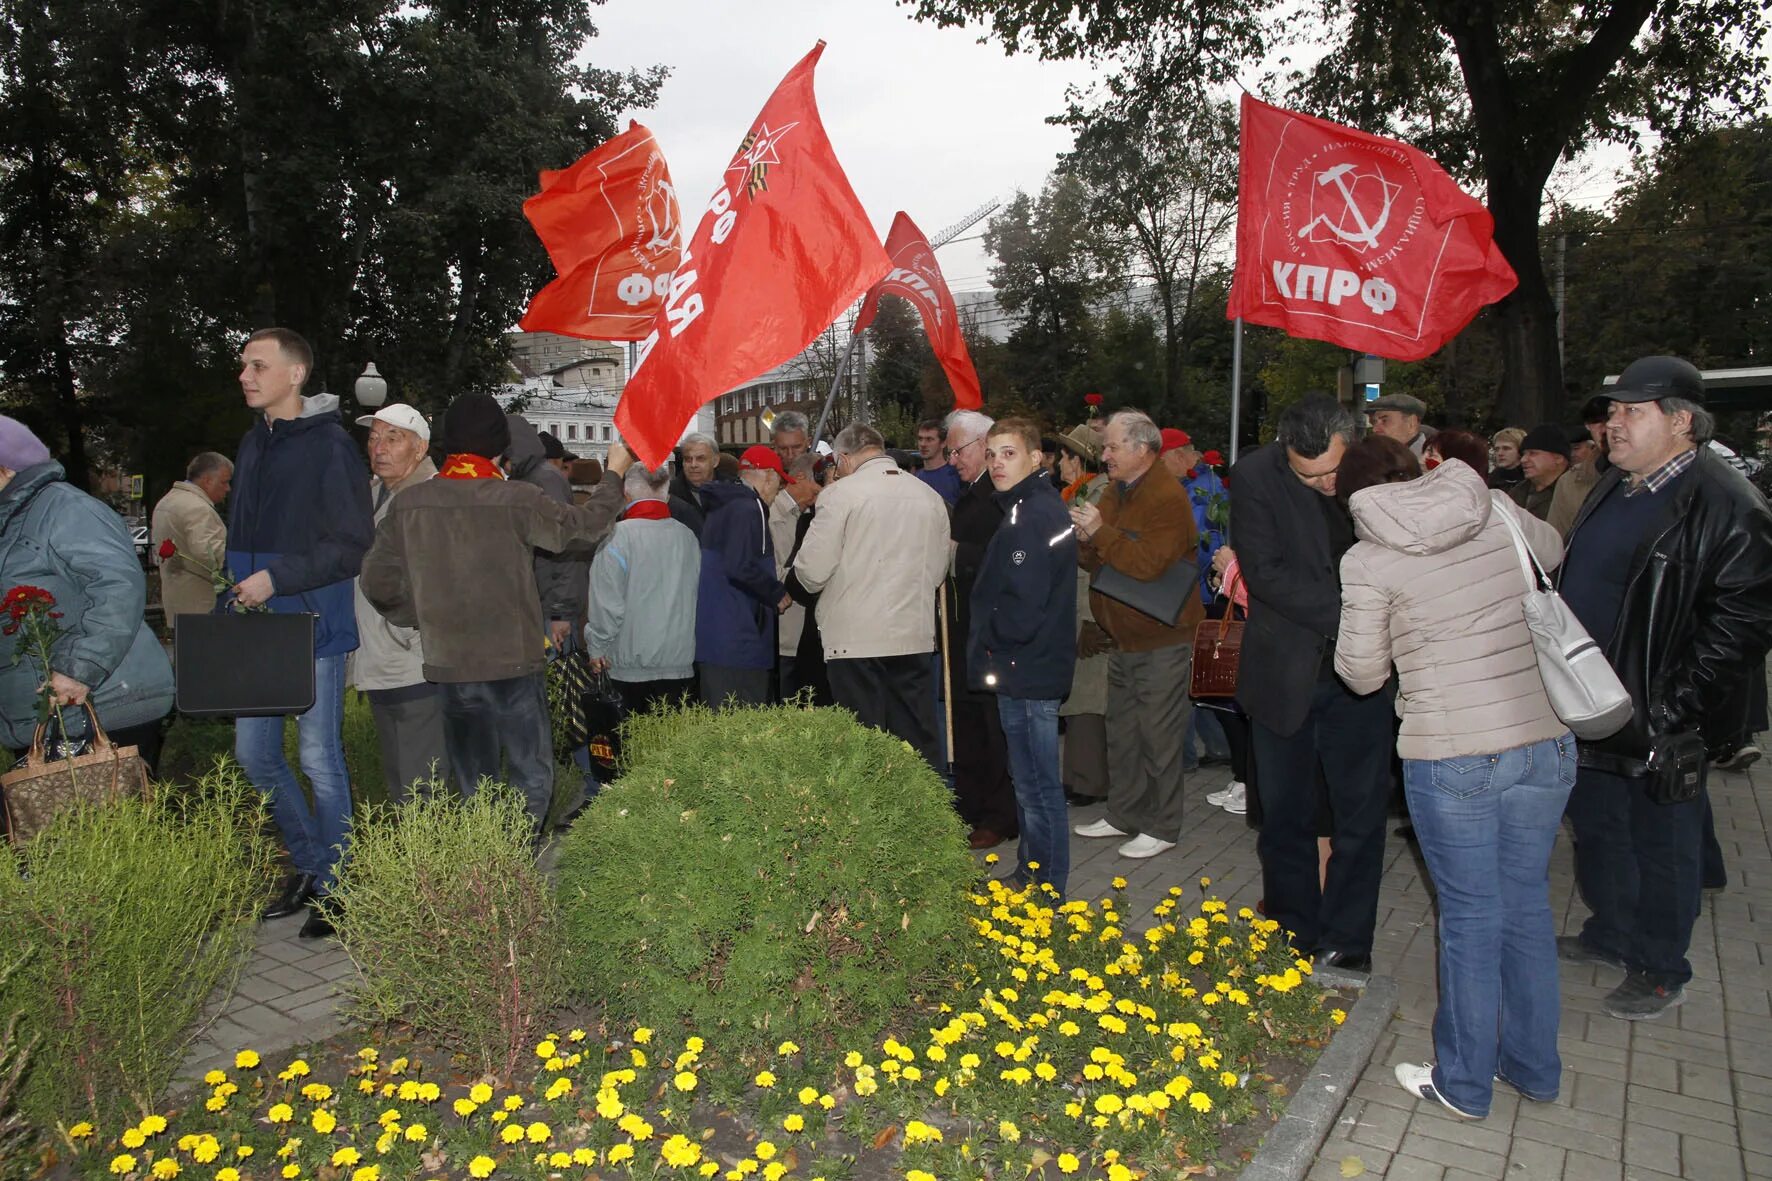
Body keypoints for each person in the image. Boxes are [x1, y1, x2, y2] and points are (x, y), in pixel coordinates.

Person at [1333, 439, 1575, 1119]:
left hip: (1455, 750)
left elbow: (1362, 674)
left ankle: (1465, 1083)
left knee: (1470, 916)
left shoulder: (1368, 558)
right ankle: (1533, 1067)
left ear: (1353, 497)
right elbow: (1552, 552)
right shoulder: (1494, 505)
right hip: (1546, 737)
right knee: (1525, 905)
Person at [1557, 356, 1772, 1020]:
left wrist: (1672, 707)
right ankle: (1612, 932)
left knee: (1662, 840)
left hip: (1658, 712)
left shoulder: (1725, 502)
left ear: (1681, 421)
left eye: (1631, 412)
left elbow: (1743, 623)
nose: (1612, 425)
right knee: (1598, 825)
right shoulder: (1617, 483)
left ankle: (1659, 964)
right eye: (1613, 412)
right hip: (1593, 700)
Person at [359, 393, 628, 838]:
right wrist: (614, 471)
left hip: (450, 663)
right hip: (513, 663)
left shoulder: (409, 506)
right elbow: (586, 528)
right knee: (530, 773)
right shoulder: (518, 499)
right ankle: (515, 855)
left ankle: (488, 863)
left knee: (473, 781)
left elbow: (378, 583)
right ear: (500, 448)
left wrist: (421, 615)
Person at [1228, 393, 1393, 972]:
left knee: (1360, 816)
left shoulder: (1378, 467)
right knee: (1285, 818)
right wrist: (1359, 615)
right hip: (1285, 672)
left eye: (1331, 471)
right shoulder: (1253, 477)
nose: (1325, 483)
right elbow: (1266, 573)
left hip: (1363, 677)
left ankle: (1349, 943)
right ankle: (1292, 933)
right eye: (1309, 475)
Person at [229, 327, 374, 941]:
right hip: (258, 626)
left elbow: (351, 546)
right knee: (254, 756)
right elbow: (243, 541)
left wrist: (275, 578)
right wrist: (234, 590)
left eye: (258, 365)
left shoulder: (332, 446)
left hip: (312, 623)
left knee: (318, 757)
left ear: (296, 374)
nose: (245, 375)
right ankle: (313, 867)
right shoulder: (251, 444)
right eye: (242, 366)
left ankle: (340, 888)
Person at [0, 416, 175, 776]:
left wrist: (78, 669)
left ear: (4, 468)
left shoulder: (62, 509)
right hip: (47, 715)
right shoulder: (14, 519)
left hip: (98, 700)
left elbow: (118, 585)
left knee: (98, 828)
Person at [1070, 410, 1202, 860]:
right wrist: (1085, 537)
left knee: (1158, 735)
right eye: (1104, 446)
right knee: (1123, 731)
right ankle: (1124, 813)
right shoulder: (1117, 490)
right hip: (1124, 636)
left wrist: (1099, 534)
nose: (1103, 454)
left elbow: (1147, 565)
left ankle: (1163, 825)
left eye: (1111, 447)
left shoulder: (1167, 497)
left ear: (1142, 450)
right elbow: (1095, 553)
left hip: (1162, 637)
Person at [793, 423, 949, 765]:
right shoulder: (929, 497)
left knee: (863, 747)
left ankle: (871, 818)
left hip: (855, 641)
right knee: (916, 741)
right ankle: (925, 815)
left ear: (843, 459)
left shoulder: (839, 495)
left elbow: (811, 573)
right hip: (914, 636)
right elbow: (937, 571)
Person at [968, 418, 1078, 894]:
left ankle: (1046, 885)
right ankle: (1032, 871)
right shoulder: (1024, 508)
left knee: (1037, 787)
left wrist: (991, 639)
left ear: (1037, 459)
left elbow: (1023, 606)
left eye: (1008, 453)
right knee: (1028, 782)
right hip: (1024, 664)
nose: (996, 463)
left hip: (1027, 667)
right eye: (991, 453)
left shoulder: (1033, 513)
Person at [350, 404, 446, 804]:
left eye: (393, 437)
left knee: (422, 788)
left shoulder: (433, 499)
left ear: (419, 448)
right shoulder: (371, 495)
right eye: (374, 437)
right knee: (401, 782)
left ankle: (428, 867)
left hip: (416, 664)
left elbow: (440, 579)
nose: (379, 447)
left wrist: (412, 638)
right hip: (381, 660)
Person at [945, 408, 1020, 849]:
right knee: (969, 720)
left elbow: (1006, 559)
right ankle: (972, 805)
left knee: (994, 726)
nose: (953, 459)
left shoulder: (1002, 498)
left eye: (958, 450)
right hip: (964, 627)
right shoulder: (974, 494)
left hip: (991, 630)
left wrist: (957, 554)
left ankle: (1000, 813)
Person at [585, 460, 700, 717]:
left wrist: (597, 648)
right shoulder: (688, 537)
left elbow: (607, 605)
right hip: (678, 662)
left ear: (626, 494)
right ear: (666, 495)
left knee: (630, 749)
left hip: (628, 665)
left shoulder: (616, 538)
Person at [695, 445, 790, 708]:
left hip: (716, 640)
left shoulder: (723, 504)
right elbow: (740, 566)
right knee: (745, 730)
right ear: (769, 477)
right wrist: (776, 593)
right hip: (742, 640)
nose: (778, 491)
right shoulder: (751, 508)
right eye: (780, 483)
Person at [1054, 424, 1109, 806]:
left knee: (1090, 695)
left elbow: (1098, 560)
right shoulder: (1077, 494)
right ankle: (1076, 776)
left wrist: (1093, 619)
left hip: (1088, 608)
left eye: (1065, 454)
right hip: (1073, 606)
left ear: (1079, 460)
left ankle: (1090, 781)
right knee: (1076, 696)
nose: (1059, 461)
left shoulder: (1098, 495)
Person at [767, 413, 819, 698]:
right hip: (786, 635)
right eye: (782, 449)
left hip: (819, 635)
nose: (788, 455)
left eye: (795, 448)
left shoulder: (824, 500)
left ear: (808, 443)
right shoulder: (770, 505)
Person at [150, 451, 232, 624]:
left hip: (178, 601)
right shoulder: (197, 508)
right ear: (207, 480)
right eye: (224, 482)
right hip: (203, 605)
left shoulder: (167, 502)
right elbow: (209, 553)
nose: (228, 489)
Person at [1508, 425, 1570, 521]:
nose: (1523, 460)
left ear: (1558, 458)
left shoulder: (1575, 491)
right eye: (1523, 454)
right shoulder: (1516, 493)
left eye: (1533, 453)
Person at [1366, 393, 1435, 459]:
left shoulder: (1429, 465)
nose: (1374, 429)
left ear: (1411, 423)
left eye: (1384, 421)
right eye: (1374, 422)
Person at [914, 417, 963, 506]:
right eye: (920, 439)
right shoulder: (915, 478)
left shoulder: (956, 476)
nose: (923, 444)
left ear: (943, 443)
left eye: (929, 439)